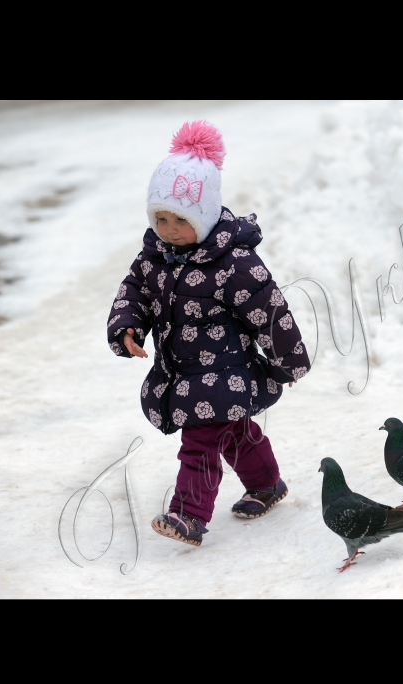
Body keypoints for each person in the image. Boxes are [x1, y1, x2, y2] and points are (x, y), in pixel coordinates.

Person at [107, 121, 310, 547]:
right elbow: (135, 291)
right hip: (183, 371)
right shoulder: (156, 258)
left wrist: (287, 360)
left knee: (199, 443)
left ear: (203, 215)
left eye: (179, 220)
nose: (167, 229)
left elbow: (268, 309)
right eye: (159, 218)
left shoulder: (232, 262)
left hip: (225, 373)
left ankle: (188, 515)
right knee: (234, 433)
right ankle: (267, 484)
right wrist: (128, 326)